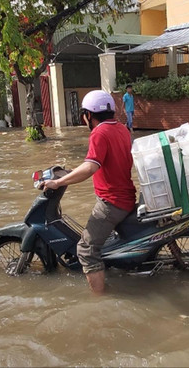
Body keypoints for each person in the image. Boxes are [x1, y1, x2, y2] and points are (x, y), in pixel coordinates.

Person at [39, 90, 135, 295]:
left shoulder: (99, 133)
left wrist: (59, 182)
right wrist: (71, 172)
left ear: (88, 115)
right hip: (126, 196)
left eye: (84, 115)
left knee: (86, 250)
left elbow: (91, 167)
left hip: (112, 202)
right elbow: (101, 162)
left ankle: (100, 299)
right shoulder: (122, 129)